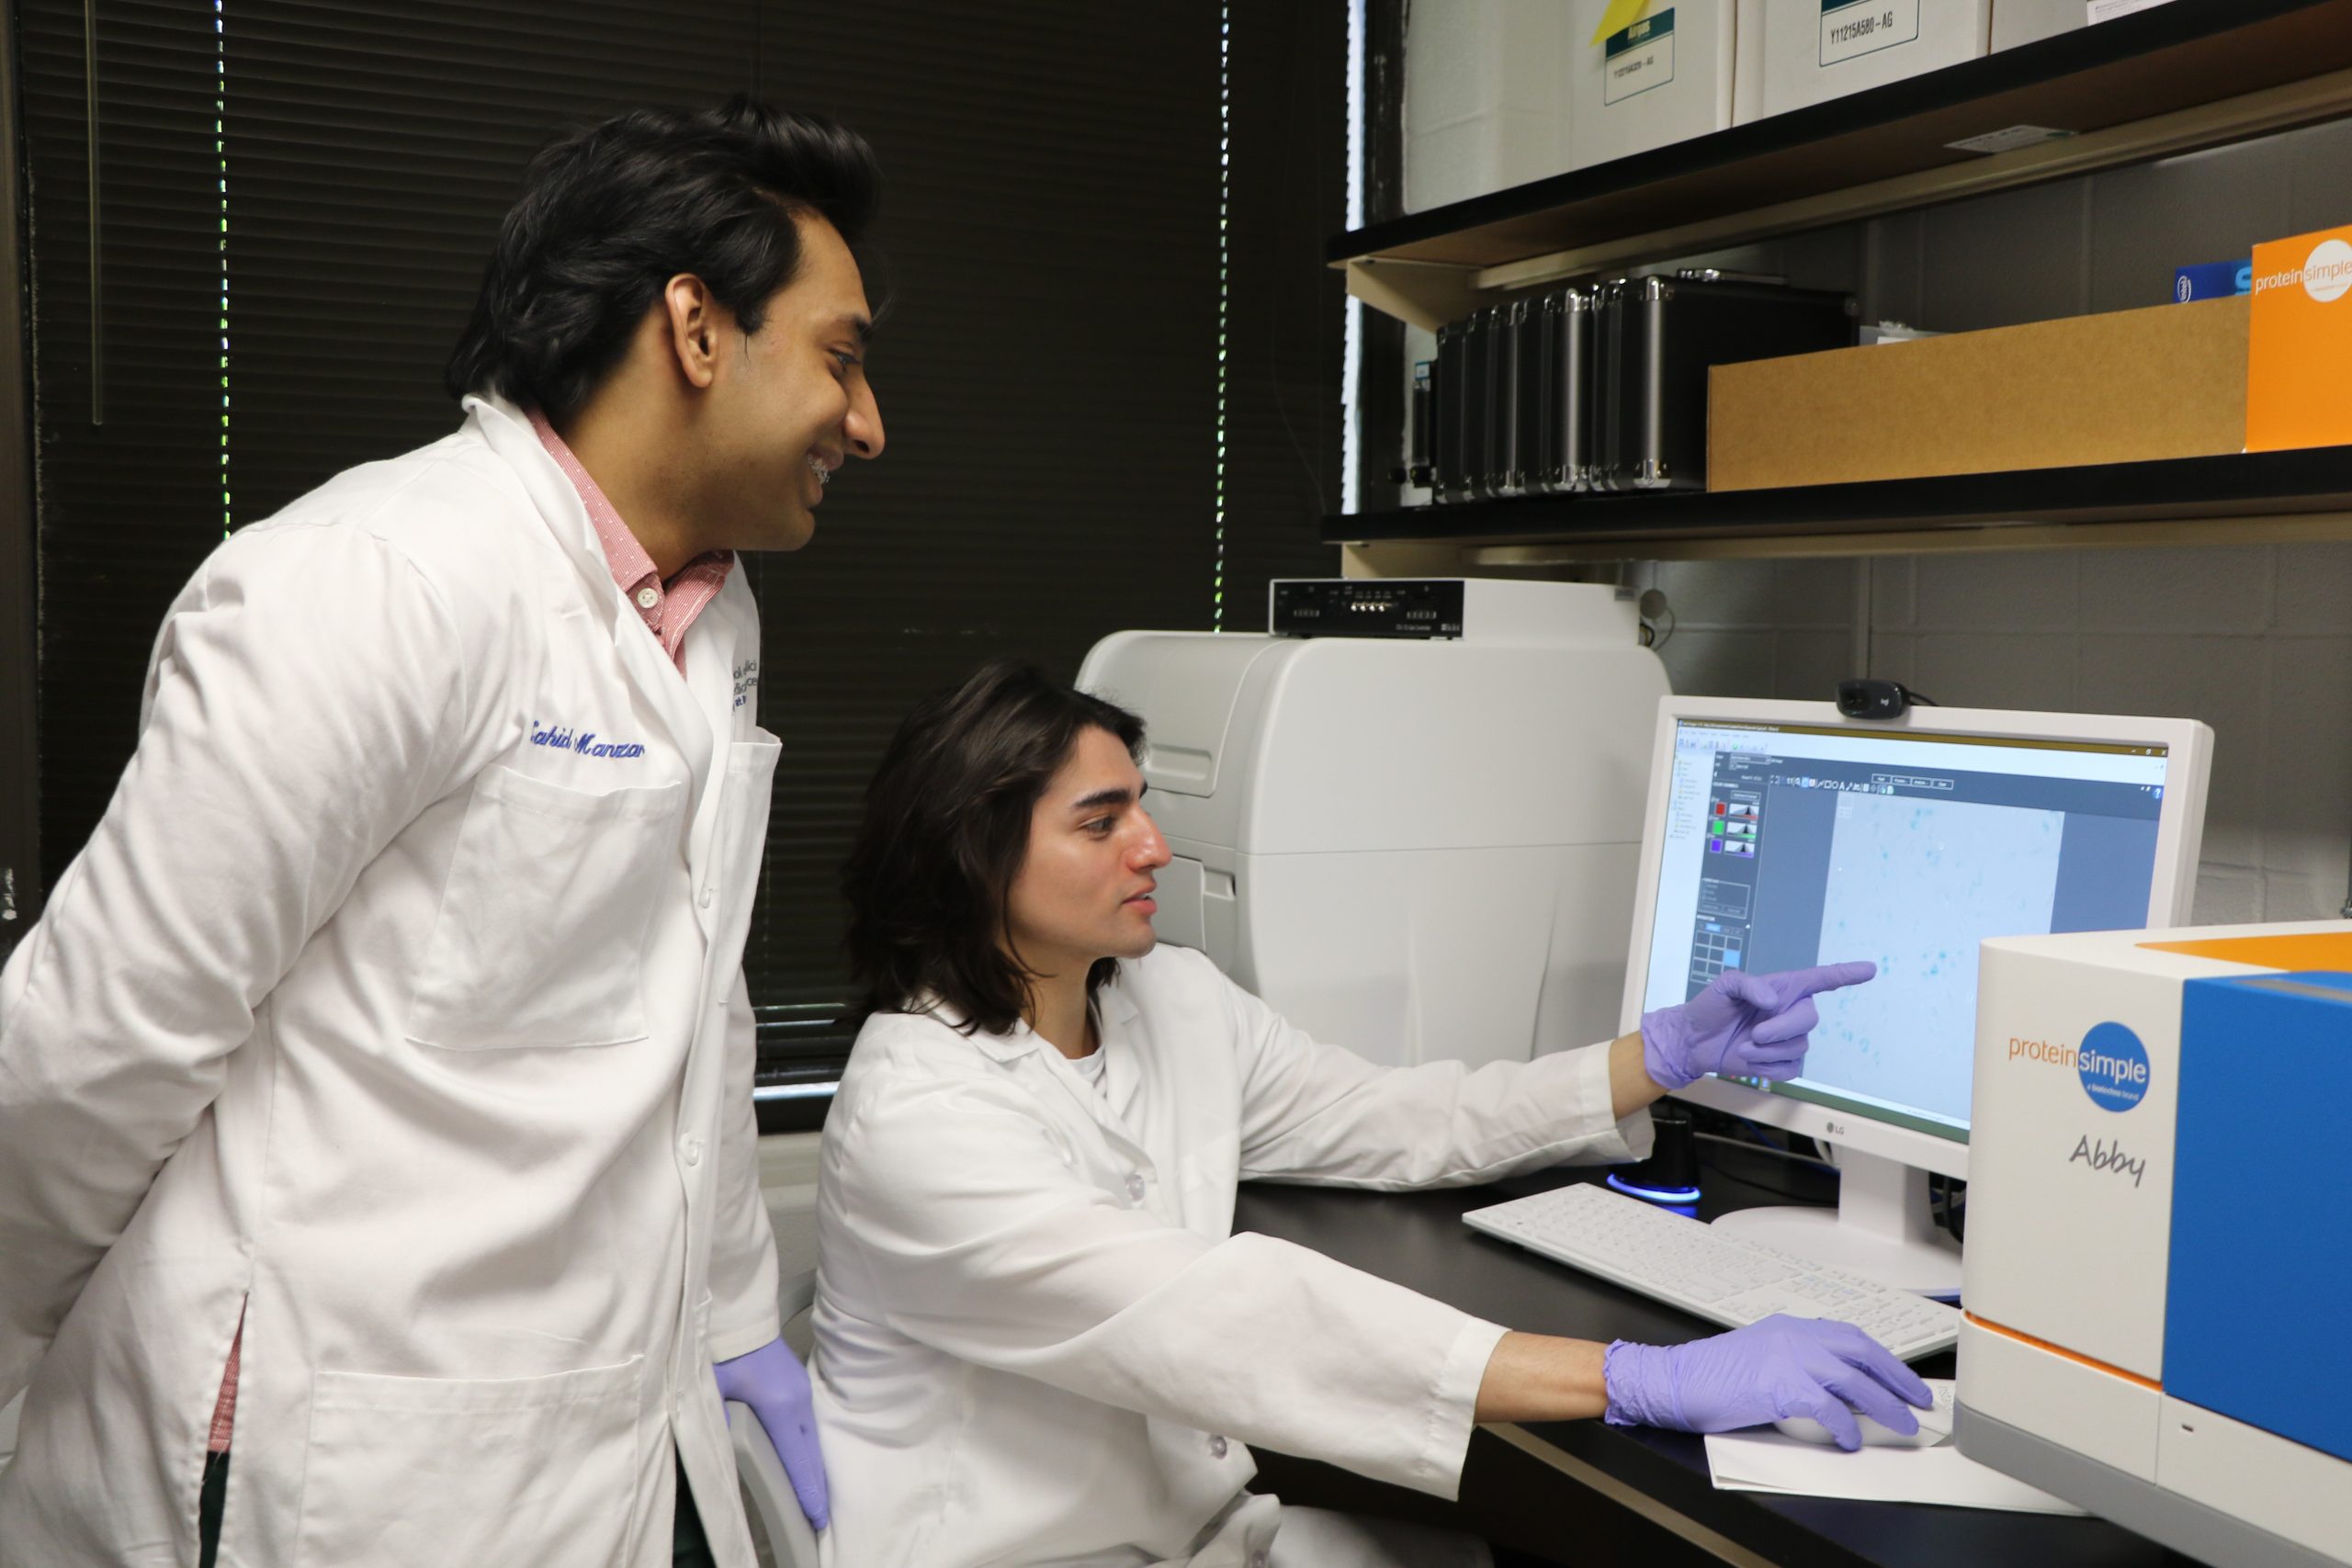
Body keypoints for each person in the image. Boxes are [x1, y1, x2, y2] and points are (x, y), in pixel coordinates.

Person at [0, 97, 878, 1568]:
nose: (867, 420)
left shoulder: (707, 612)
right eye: (841, 358)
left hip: (592, 1428)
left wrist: (734, 1309)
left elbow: (699, 1001)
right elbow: (95, 1043)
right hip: (338, 1460)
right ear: (694, 327)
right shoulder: (375, 579)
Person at [811, 662, 1929, 1568]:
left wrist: (1658, 1059)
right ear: (973, 856)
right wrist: (1642, 1377)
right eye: (1101, 823)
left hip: (1203, 1532)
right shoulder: (916, 1112)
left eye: (1141, 804)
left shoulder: (1169, 999)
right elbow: (1228, 1317)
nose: (1153, 845)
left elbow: (1396, 1118)